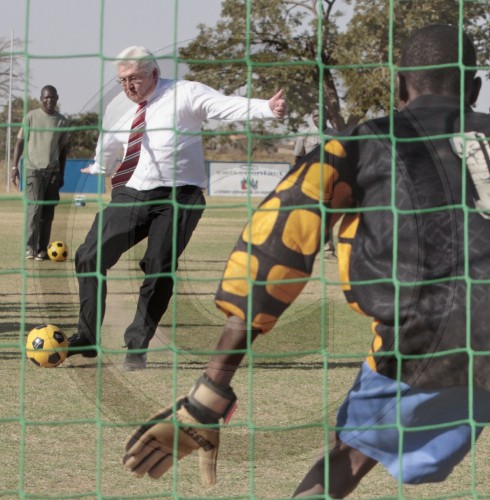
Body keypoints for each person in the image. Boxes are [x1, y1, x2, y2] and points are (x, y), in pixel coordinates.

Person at [122, 24, 490, 496]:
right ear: (475, 88)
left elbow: (272, 255)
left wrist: (210, 393)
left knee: (349, 455)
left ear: (399, 86)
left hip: (432, 341)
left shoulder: (356, 146)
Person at [67, 46, 287, 371]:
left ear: (153, 73)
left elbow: (225, 106)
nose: (128, 86)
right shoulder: (119, 108)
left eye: (135, 78)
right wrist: (100, 165)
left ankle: (136, 346)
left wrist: (266, 108)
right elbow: (110, 142)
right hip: (132, 193)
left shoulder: (185, 93)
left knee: (158, 266)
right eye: (123, 80)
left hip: (179, 198)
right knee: (89, 255)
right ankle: (86, 336)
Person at [12, 85, 69, 260]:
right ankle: (30, 248)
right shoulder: (31, 117)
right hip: (33, 170)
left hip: (52, 172)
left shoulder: (62, 121)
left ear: (57, 98)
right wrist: (15, 167)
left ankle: (42, 249)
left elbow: (63, 151)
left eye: (52, 97)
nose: (49, 100)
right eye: (46, 97)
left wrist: (61, 174)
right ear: (41, 99)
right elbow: (20, 143)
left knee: (47, 212)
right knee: (34, 209)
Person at [294, 109, 337, 259]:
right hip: (309, 180)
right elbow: (298, 158)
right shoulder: (304, 134)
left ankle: (327, 250)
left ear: (326, 116)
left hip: (328, 180)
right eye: (314, 116)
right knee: (306, 214)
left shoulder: (335, 135)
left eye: (320, 115)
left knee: (326, 215)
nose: (317, 118)